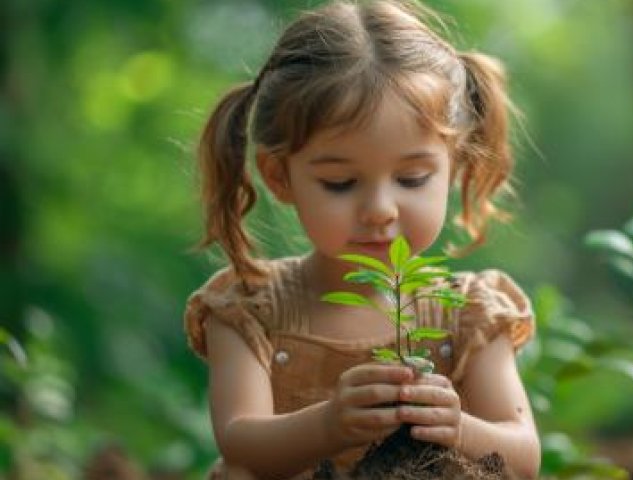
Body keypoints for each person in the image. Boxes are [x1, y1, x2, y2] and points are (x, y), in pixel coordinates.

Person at [184, 1, 540, 478]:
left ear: (453, 166)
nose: (379, 210)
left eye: (412, 178)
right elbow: (240, 446)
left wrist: (458, 427)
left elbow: (522, 458)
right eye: (340, 183)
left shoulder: (469, 314)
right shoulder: (250, 308)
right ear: (280, 177)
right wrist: (328, 425)